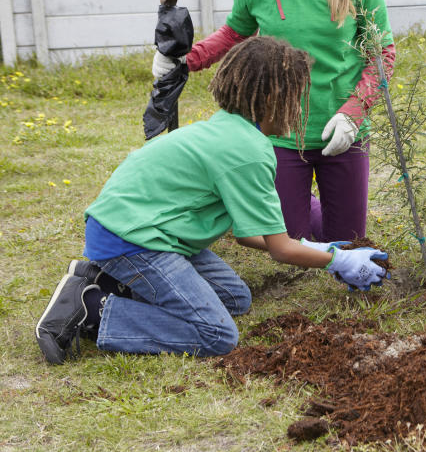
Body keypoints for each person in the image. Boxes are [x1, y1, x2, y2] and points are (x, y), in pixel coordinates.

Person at [35, 37, 389, 365]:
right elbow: (281, 250)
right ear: (270, 100)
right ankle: (93, 311)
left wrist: (320, 248)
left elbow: (249, 234)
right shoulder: (248, 151)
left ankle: (100, 280)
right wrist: (335, 259)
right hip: (133, 240)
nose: (299, 108)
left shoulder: (232, 130)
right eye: (295, 98)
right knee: (216, 333)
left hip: (147, 229)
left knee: (236, 298)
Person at [151, 0, 394, 244]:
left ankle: (319, 205)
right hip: (280, 132)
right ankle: (301, 204)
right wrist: (186, 59)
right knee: (288, 242)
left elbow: (382, 54)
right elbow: (235, 32)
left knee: (349, 244)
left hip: (343, 132)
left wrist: (354, 113)